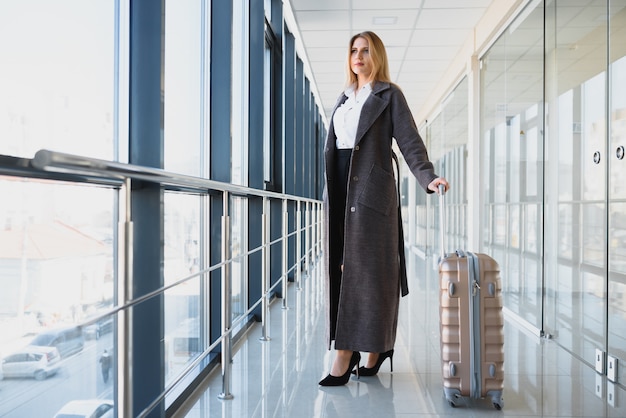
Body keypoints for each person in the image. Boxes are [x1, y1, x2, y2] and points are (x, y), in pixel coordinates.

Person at [319, 31, 449, 387]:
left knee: (371, 274)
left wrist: (428, 177)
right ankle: (371, 348)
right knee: (343, 268)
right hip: (341, 189)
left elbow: (409, 142)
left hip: (372, 194)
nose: (358, 56)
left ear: (376, 56)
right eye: (353, 51)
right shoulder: (343, 99)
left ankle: (350, 352)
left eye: (365, 51)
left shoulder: (389, 95)